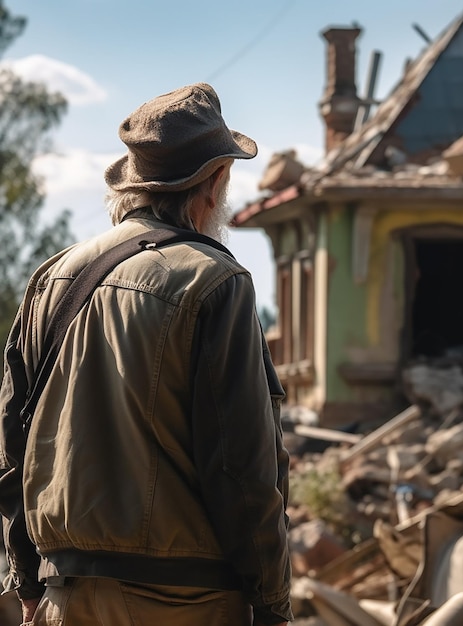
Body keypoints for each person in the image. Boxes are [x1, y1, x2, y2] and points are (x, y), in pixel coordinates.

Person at [0, 83, 292, 626]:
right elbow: (241, 468)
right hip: (185, 604)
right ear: (214, 183)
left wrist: (26, 578)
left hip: (64, 595)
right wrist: (273, 604)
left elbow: (12, 447)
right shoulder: (216, 280)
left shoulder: (51, 277)